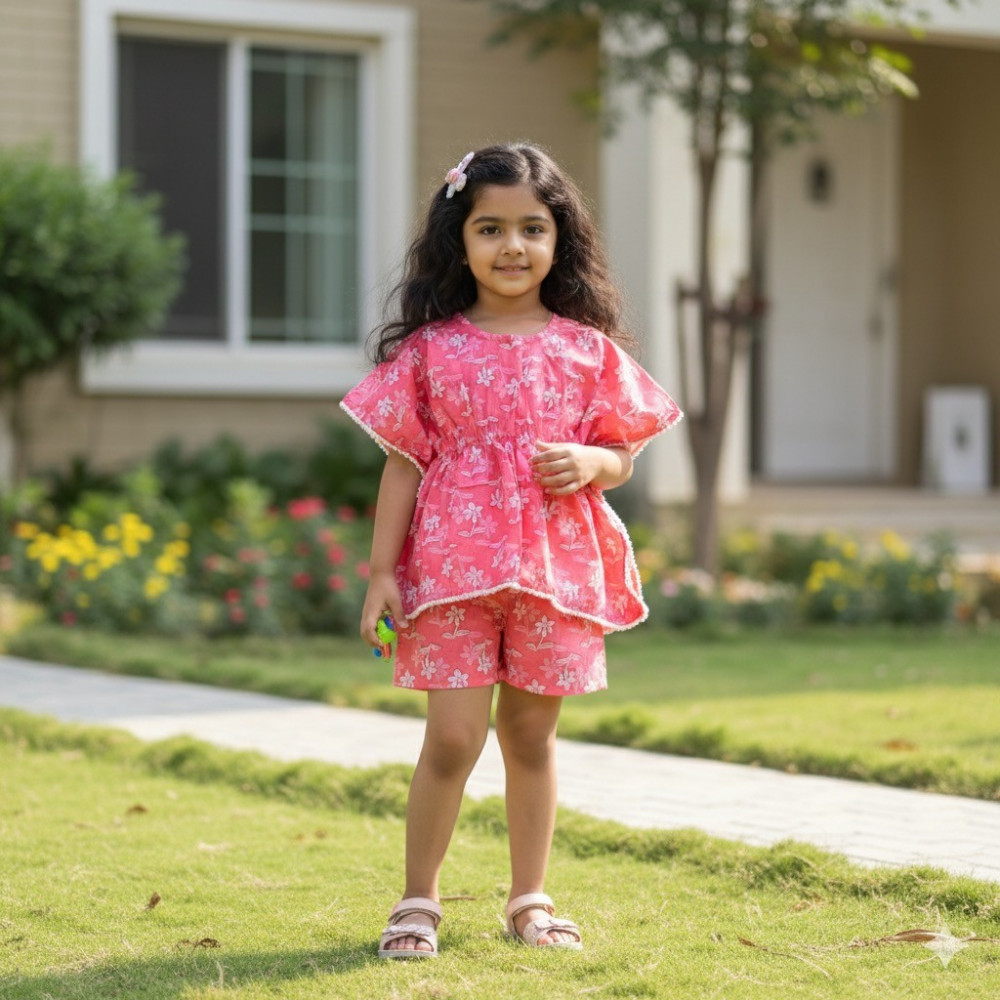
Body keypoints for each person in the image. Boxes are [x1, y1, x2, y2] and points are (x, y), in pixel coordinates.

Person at [341, 143, 682, 959]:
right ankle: (418, 900)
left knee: (530, 737)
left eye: (532, 228)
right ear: (459, 239)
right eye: (490, 228)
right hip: (450, 570)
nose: (512, 247)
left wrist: (596, 462)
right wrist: (382, 574)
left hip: (551, 571)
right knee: (453, 737)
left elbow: (621, 453)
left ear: (560, 238)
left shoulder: (587, 348)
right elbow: (402, 463)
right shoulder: (430, 350)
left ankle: (529, 898)